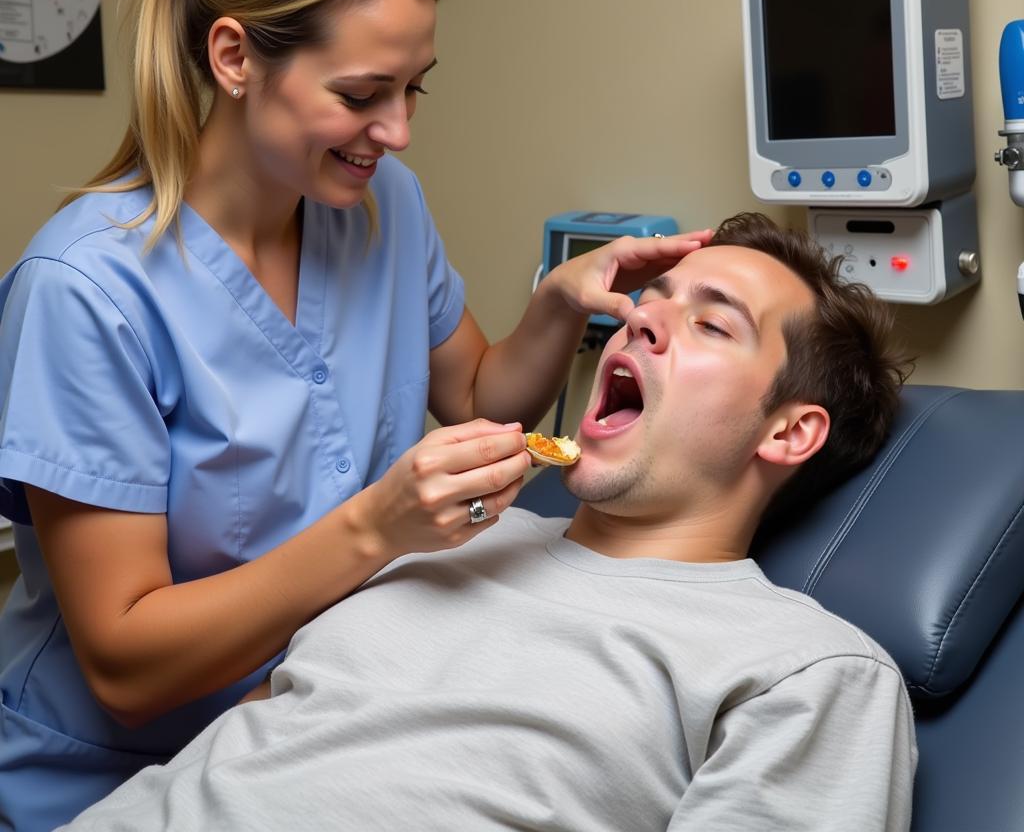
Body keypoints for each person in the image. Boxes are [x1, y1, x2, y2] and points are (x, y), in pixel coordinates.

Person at [0, 0, 711, 830]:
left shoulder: (380, 207)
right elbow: (127, 664)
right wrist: (376, 527)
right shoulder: (86, 290)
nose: (400, 131)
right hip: (118, 775)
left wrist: (557, 305)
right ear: (235, 57)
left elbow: (475, 395)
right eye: (364, 92)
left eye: (415, 88)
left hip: (314, 730)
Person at [59, 212, 917, 832]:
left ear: (790, 431)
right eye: (648, 300)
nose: (639, 320)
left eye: (711, 323)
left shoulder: (806, 672)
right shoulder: (440, 541)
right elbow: (239, 748)